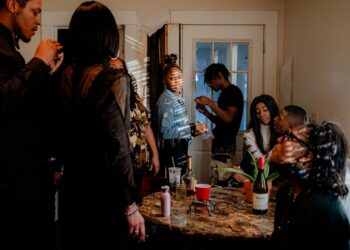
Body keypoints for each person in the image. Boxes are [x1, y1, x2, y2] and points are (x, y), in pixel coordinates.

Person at [57, 2, 145, 249]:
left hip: (71, 192)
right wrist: (130, 206)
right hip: (104, 194)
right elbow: (118, 146)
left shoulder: (64, 75)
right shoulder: (114, 79)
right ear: (108, 36)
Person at [0, 0, 64, 249]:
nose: (38, 21)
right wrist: (37, 62)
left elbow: (23, 108)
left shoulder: (10, 47)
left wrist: (45, 72)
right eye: (34, 12)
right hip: (9, 187)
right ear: (13, 4)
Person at [271, 122, 350, 250]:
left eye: (289, 138)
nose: (280, 139)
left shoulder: (323, 209)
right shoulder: (286, 191)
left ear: (307, 156)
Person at [110, 57, 160, 199]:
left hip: (139, 160)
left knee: (137, 198)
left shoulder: (134, 97)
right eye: (112, 68)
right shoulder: (107, 96)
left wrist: (155, 154)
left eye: (120, 69)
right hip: (120, 160)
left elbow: (146, 125)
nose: (117, 72)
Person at [157, 54, 207, 175]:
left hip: (181, 150)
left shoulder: (176, 98)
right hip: (172, 153)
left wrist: (194, 132)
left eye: (179, 77)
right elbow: (166, 132)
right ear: (165, 81)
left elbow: (177, 129)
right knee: (176, 189)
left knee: (183, 188)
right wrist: (193, 126)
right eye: (172, 78)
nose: (177, 81)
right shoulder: (166, 100)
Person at [195, 63, 243, 163]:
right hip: (220, 144)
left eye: (210, 80)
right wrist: (205, 112)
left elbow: (229, 118)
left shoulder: (233, 92)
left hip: (226, 146)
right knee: (215, 176)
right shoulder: (224, 93)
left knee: (221, 176)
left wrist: (209, 102)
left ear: (220, 76)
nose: (208, 84)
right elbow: (222, 121)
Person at [241, 94, 280, 177]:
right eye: (258, 112)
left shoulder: (281, 131)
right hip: (256, 174)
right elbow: (260, 161)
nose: (261, 115)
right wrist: (276, 151)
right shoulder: (249, 134)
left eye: (265, 110)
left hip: (277, 174)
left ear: (272, 109)